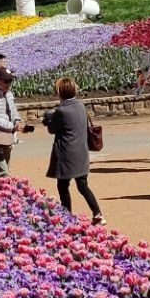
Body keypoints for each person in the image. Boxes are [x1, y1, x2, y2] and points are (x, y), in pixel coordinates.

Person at [42, 75, 103, 221]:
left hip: (66, 155)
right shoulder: (81, 105)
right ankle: (98, 213)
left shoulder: (61, 111)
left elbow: (52, 129)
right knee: (83, 185)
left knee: (63, 186)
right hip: (82, 153)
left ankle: (67, 215)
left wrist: (48, 119)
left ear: (60, 92)